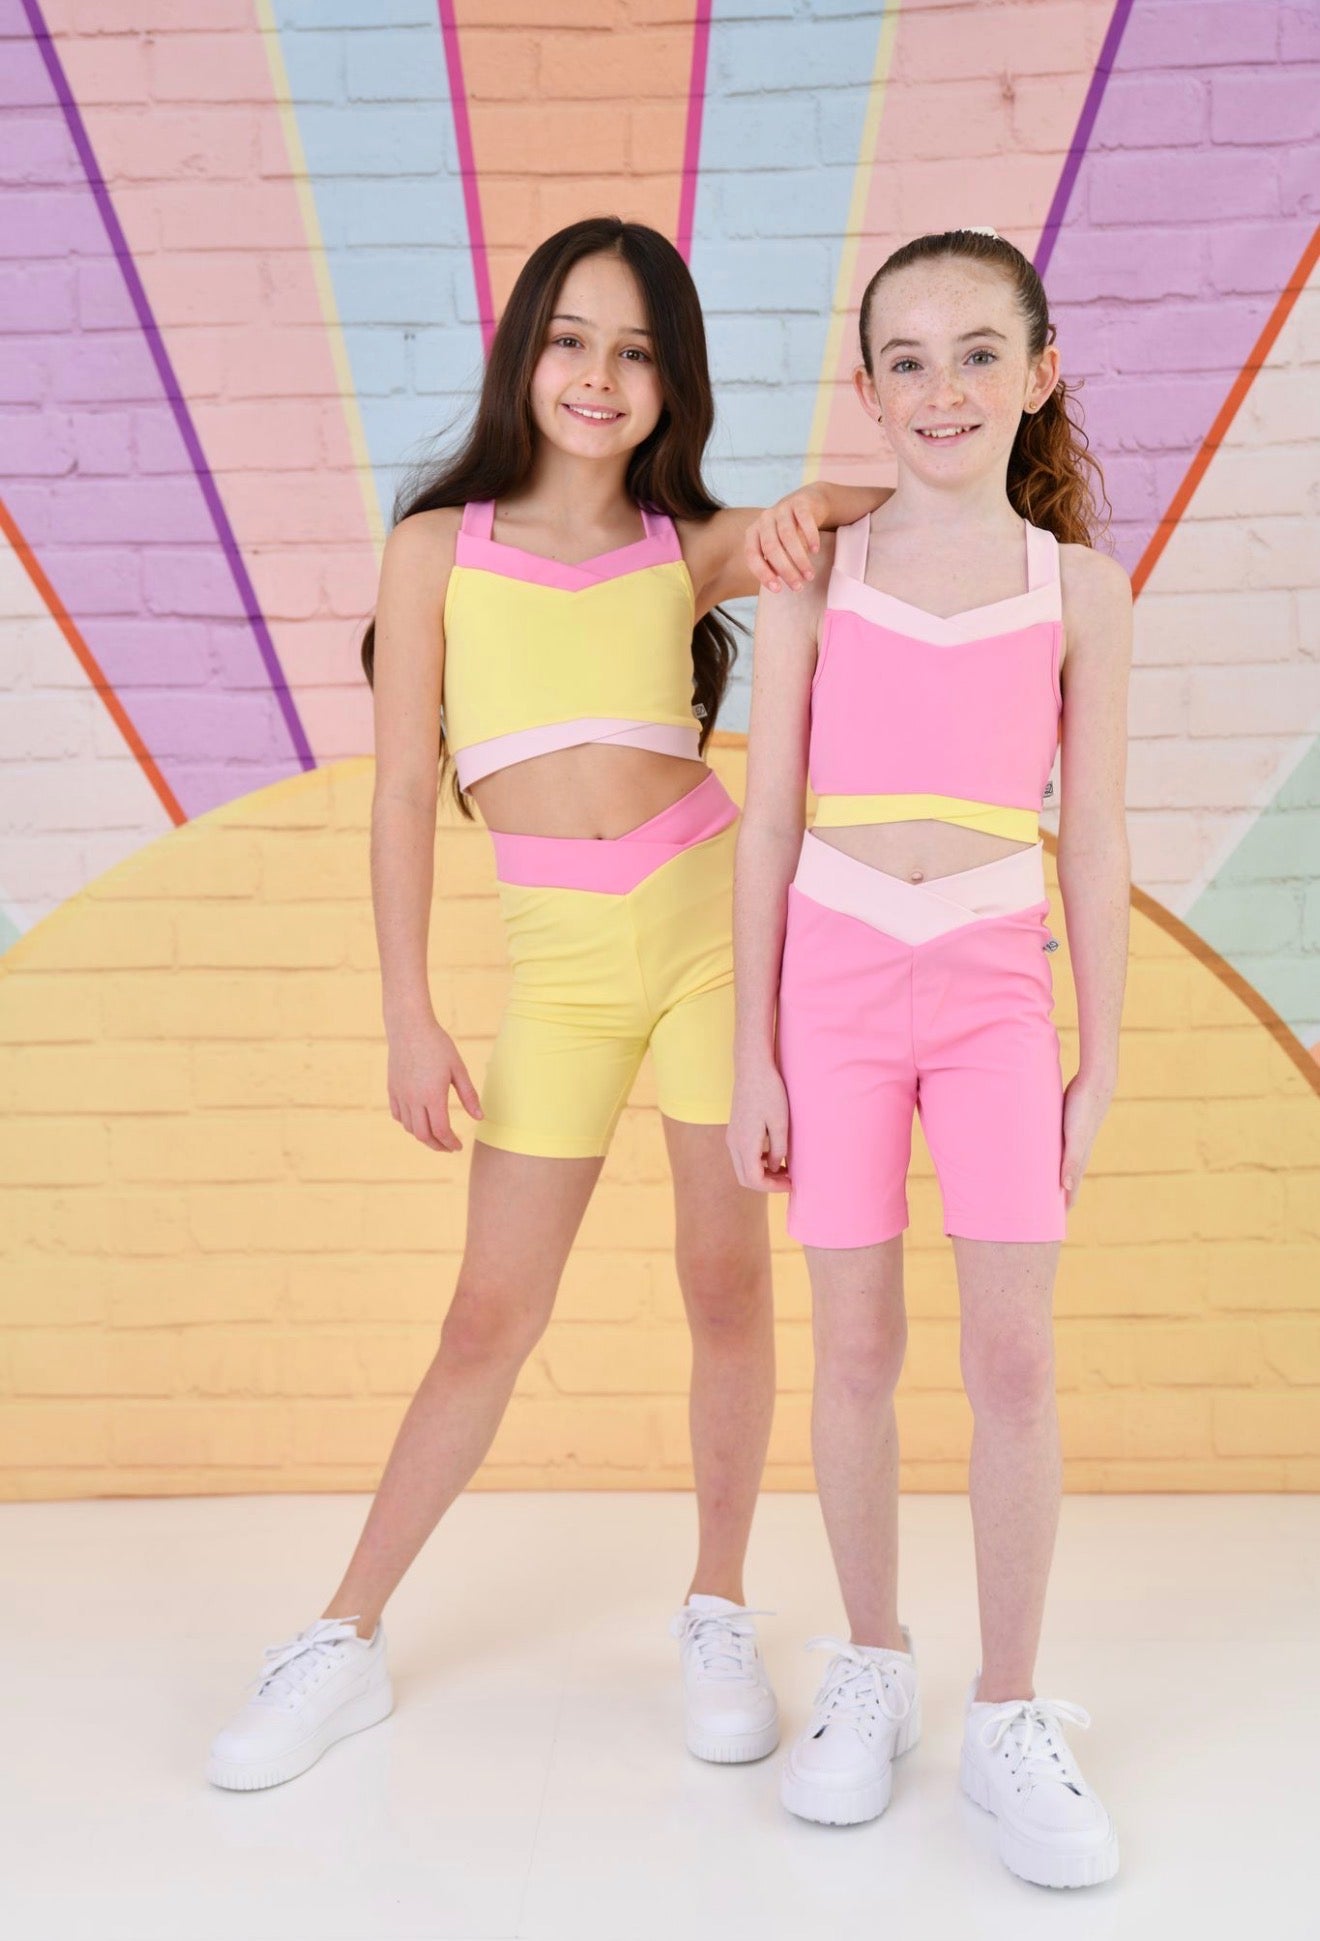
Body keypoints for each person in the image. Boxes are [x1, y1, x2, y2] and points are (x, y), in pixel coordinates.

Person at [206, 216, 890, 1793]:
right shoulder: (435, 549)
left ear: (673, 382)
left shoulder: (686, 543)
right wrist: (407, 1009)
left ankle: (717, 1603)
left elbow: (860, 506)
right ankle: (344, 1633)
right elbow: (400, 794)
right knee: (487, 1314)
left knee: (725, 1282)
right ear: (525, 349)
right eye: (573, 338)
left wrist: (824, 498)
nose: (599, 374)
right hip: (563, 972)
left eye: (638, 351)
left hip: (714, 937)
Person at [728, 227, 1131, 1889]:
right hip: (831, 987)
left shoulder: (1078, 590)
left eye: (978, 353)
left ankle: (1010, 1706)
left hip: (990, 987)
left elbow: (1092, 833)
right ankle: (873, 1662)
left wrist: (1102, 1056)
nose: (943, 387)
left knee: (1013, 1356)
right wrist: (753, 1049)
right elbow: (766, 818)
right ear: (869, 388)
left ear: (1038, 373)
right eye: (907, 358)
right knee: (854, 1346)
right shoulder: (812, 569)